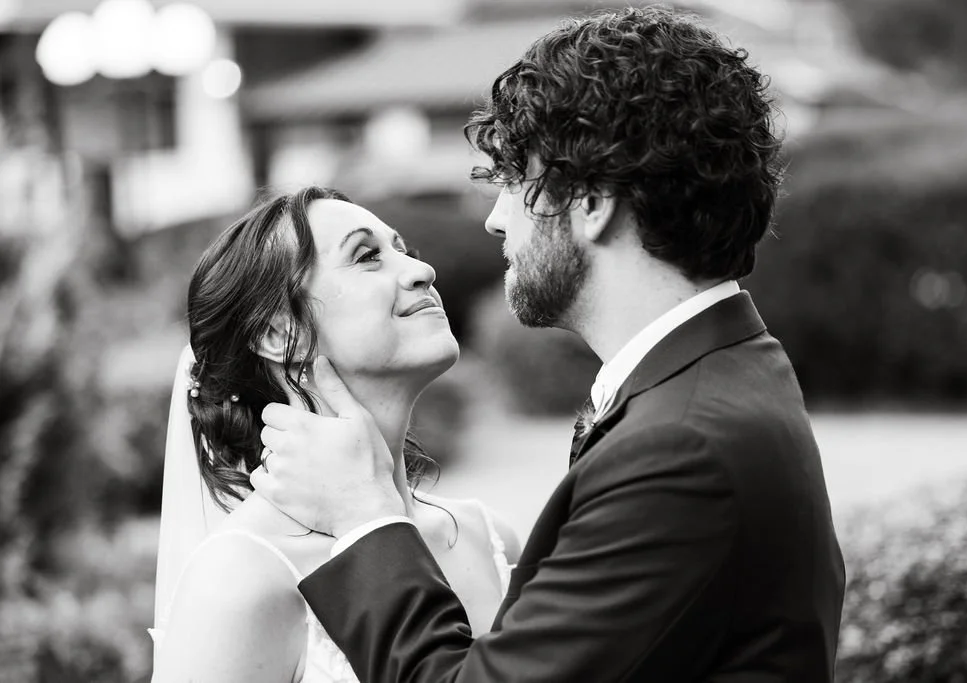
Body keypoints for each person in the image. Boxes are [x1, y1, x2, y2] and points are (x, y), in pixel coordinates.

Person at [252, 7, 846, 683]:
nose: (495, 219)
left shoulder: (682, 446)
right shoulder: (723, 376)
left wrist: (364, 513)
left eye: (513, 183)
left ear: (592, 201)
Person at [149, 186, 520, 683]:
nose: (421, 271)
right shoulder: (239, 580)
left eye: (403, 250)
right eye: (368, 256)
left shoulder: (489, 536)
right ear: (280, 334)